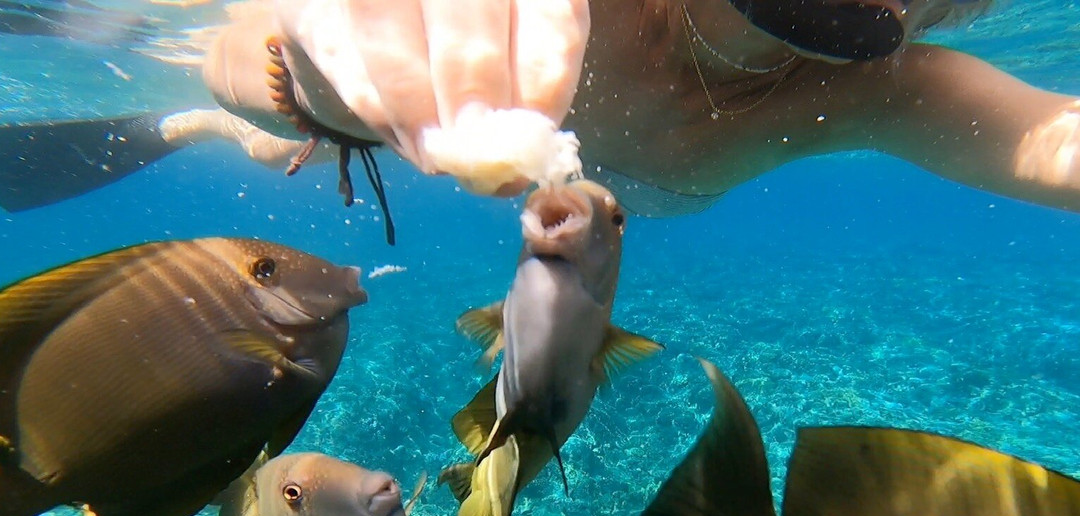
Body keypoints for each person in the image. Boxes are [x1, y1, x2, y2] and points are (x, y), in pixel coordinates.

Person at [3, 0, 1079, 224]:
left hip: (628, 201)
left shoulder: (884, 86)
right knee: (276, 121)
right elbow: (242, 43)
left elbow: (1052, 143)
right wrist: (317, 81)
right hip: (393, 140)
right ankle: (217, 139)